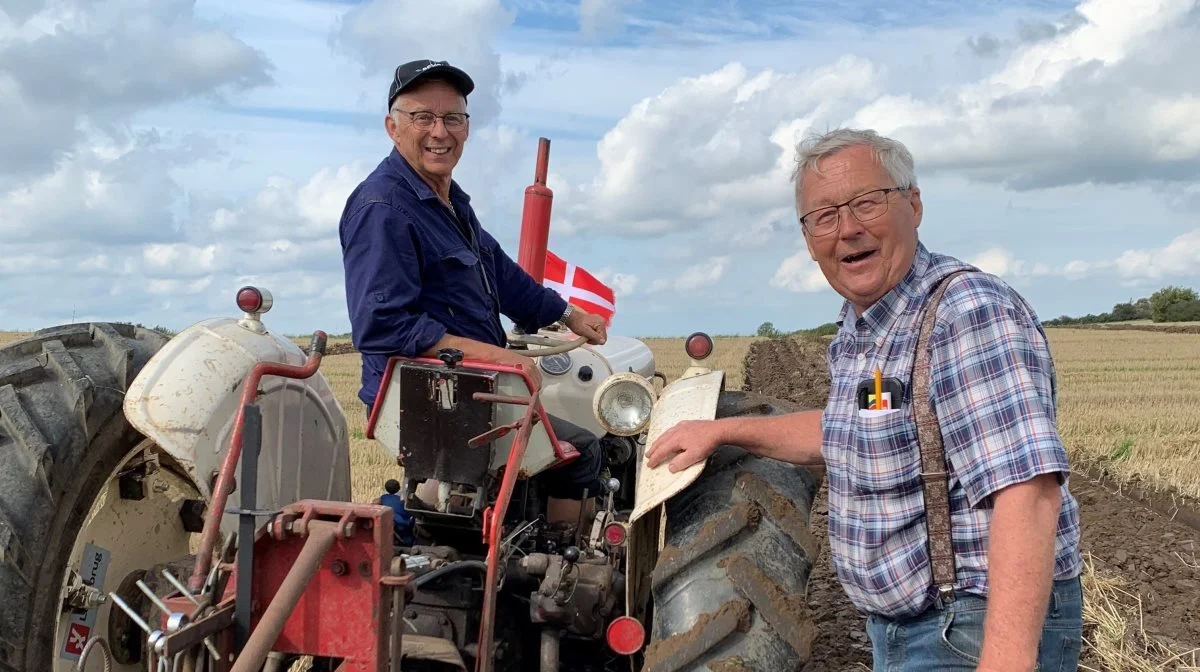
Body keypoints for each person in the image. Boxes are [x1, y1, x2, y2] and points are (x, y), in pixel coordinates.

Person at [646, 128, 1083, 672]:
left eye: (866, 203)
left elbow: (1028, 492)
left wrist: (1006, 660)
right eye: (824, 216)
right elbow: (846, 430)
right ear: (808, 239)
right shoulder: (864, 328)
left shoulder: (965, 311)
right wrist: (725, 431)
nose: (847, 229)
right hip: (910, 632)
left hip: (969, 630)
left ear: (914, 204)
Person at [339, 58, 610, 510]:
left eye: (452, 118)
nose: (439, 132)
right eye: (422, 117)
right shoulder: (383, 207)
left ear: (466, 127)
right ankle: (567, 568)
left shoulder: (448, 200)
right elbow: (382, 327)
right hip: (427, 400)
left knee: (542, 456)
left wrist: (568, 314)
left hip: (468, 390)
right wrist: (499, 358)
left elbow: (501, 275)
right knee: (584, 452)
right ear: (392, 127)